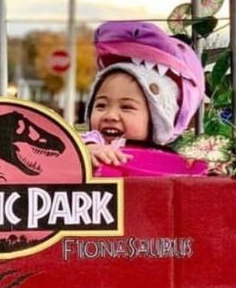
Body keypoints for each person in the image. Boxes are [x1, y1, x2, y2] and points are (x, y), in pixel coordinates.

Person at [81, 20, 206, 173]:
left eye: (126, 107)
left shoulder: (164, 158)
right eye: (101, 105)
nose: (110, 115)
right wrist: (87, 151)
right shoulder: (93, 142)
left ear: (158, 118)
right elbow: (68, 150)